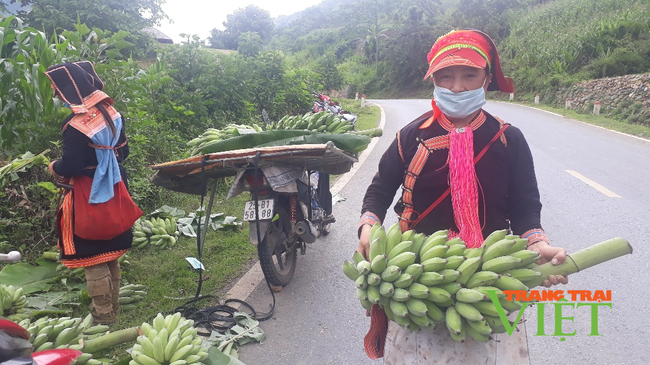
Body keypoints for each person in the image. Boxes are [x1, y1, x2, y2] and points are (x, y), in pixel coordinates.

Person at [356, 29, 568, 363]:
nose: (457, 87)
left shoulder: (507, 139)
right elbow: (380, 190)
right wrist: (368, 225)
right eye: (446, 76)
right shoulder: (410, 137)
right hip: (418, 274)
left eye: (469, 75)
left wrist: (536, 243)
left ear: (486, 80)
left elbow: (525, 203)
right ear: (434, 81)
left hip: (488, 273)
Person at [45, 61, 142, 325]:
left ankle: (103, 314)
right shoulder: (112, 113)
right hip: (115, 187)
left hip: (89, 194)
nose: (56, 95)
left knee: (91, 254)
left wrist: (54, 166)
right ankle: (113, 306)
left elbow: (72, 165)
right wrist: (105, 159)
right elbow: (123, 152)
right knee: (110, 247)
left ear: (69, 92)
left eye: (58, 90)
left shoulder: (76, 125)